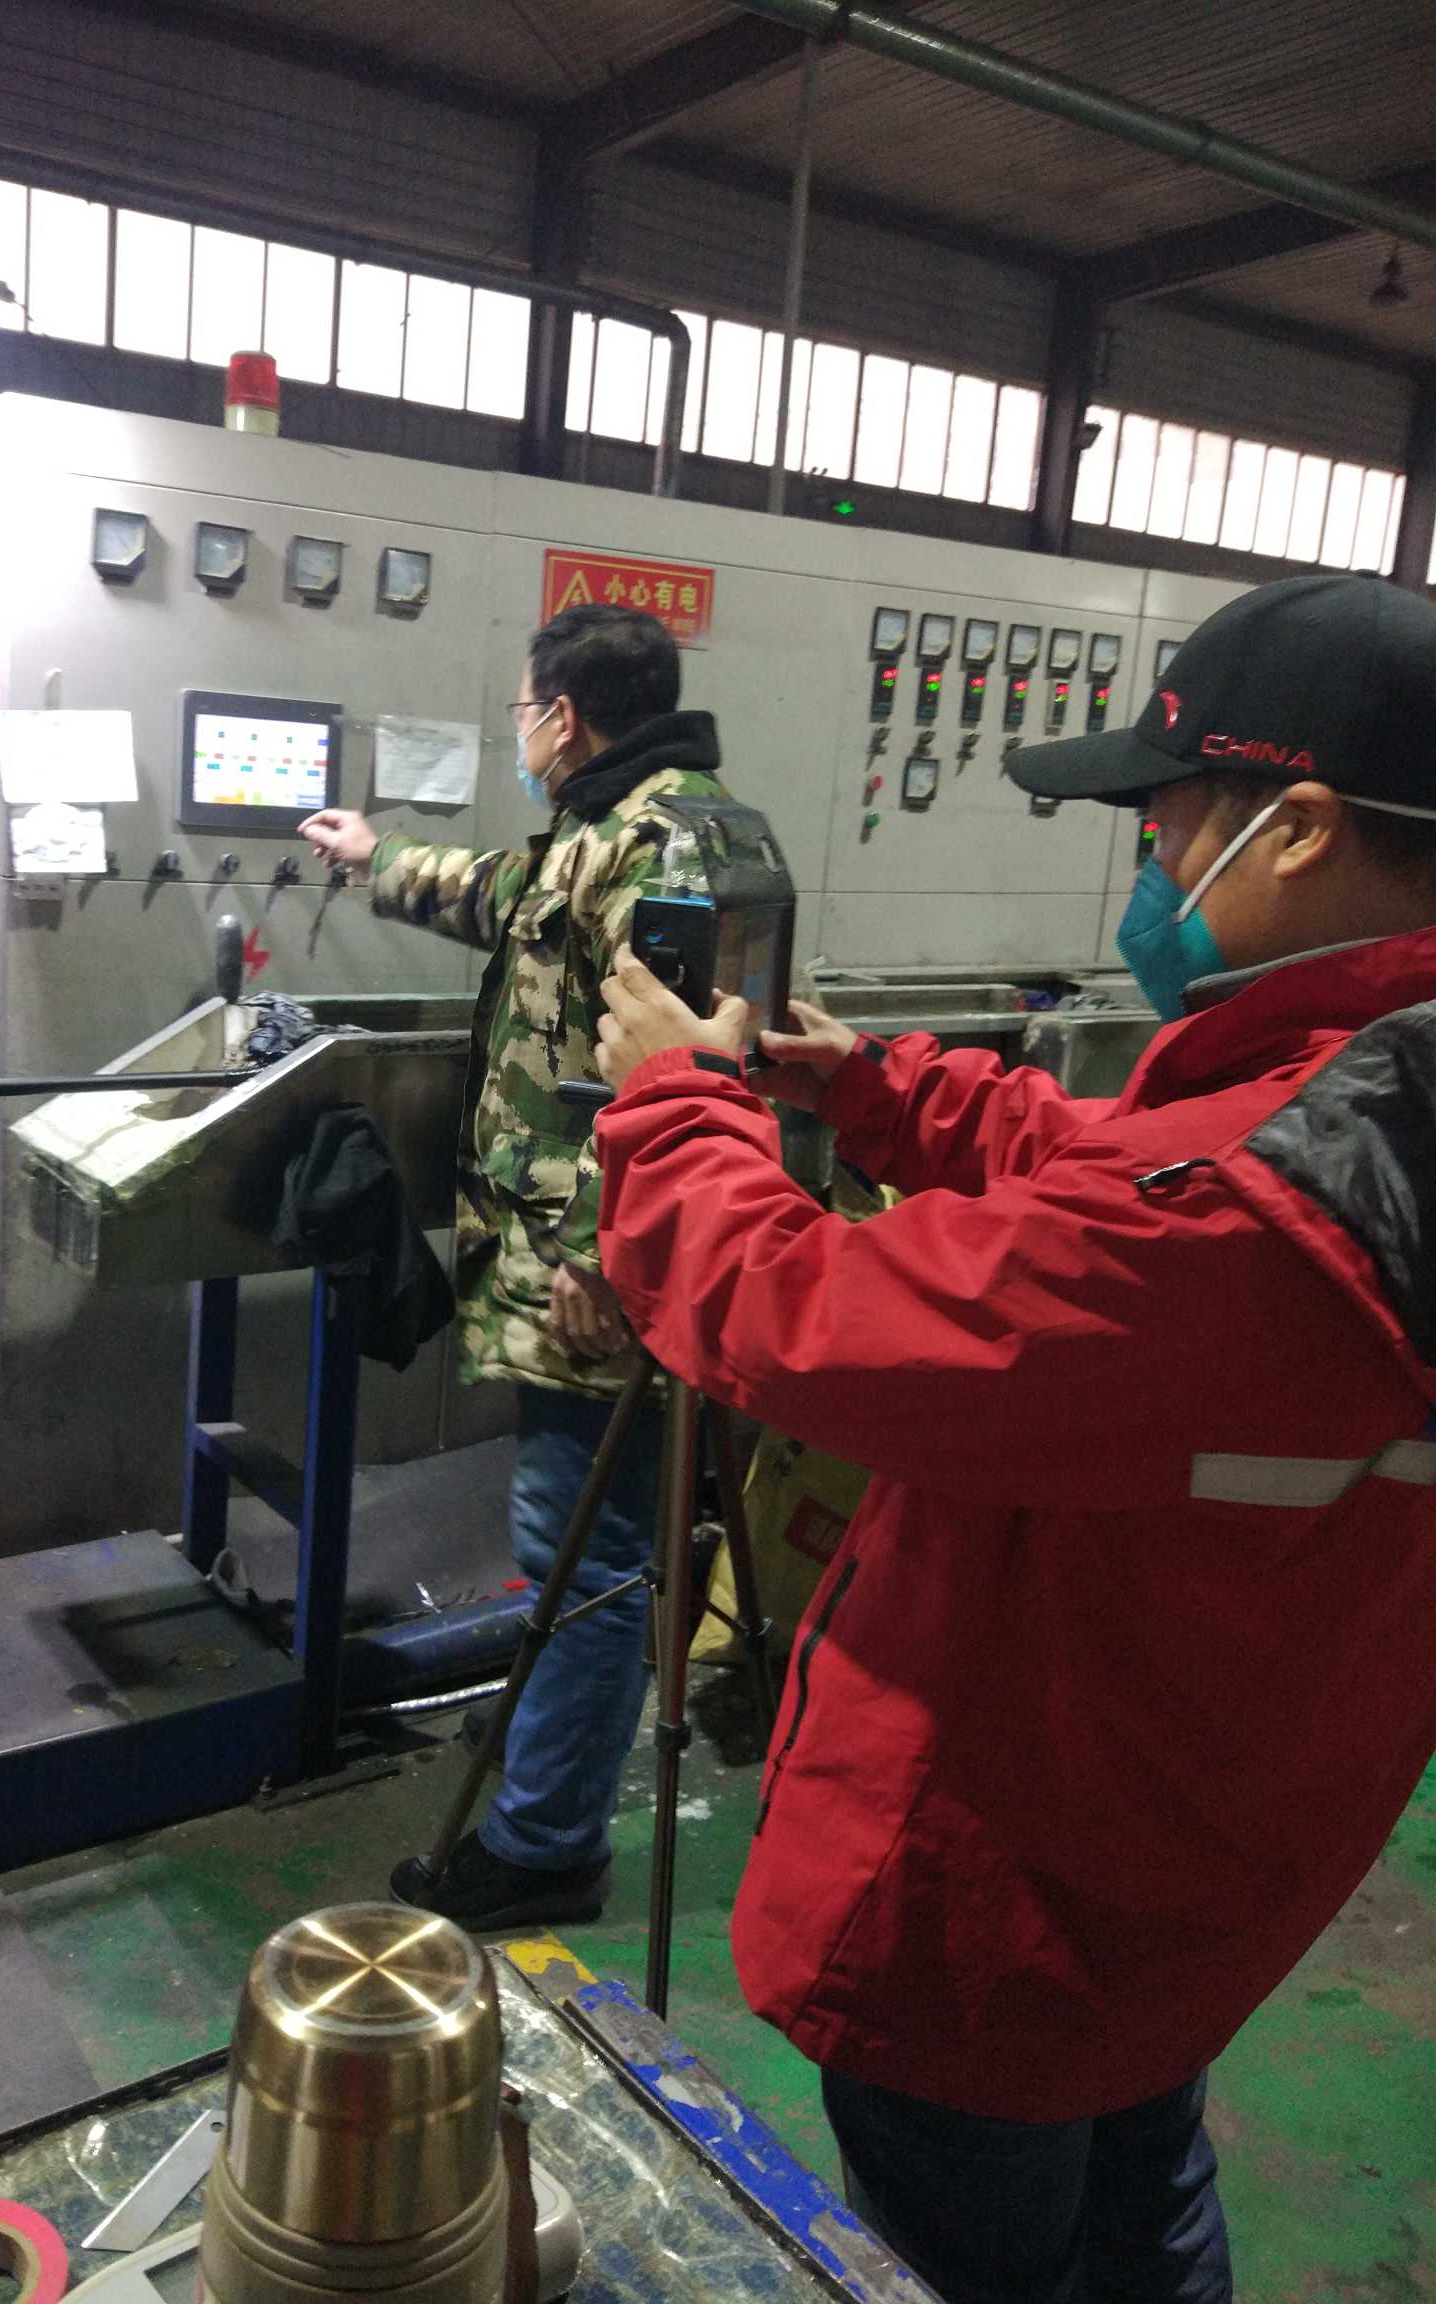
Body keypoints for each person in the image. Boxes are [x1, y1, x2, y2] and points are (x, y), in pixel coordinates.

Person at [585, 572, 1436, 2304]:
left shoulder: (1253, 1225)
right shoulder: (1374, 1087)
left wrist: (671, 1107)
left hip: (1025, 1890)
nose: (1148, 854)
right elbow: (1129, 1161)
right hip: (1205, 1847)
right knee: (1141, 2195)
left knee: (971, 2253)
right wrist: (873, 1087)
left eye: (1165, 814)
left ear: (1299, 829)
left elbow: (800, 1316)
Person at [302, 602, 730, 1931]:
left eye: (523, 711)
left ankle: (546, 1845)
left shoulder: (665, 845)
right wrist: (374, 855)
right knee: (578, 1544)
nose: (522, 733)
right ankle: (548, 1802)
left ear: (564, 714)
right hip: (577, 1258)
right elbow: (504, 895)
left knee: (584, 1557)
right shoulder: (612, 827)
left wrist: (613, 1251)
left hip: (599, 1273)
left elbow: (683, 1071)